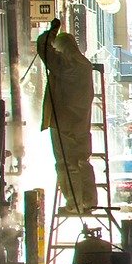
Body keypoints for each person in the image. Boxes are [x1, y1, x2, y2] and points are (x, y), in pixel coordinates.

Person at [37, 20, 98, 212]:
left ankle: (74, 204)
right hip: (82, 125)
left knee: (65, 164)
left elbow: (43, 47)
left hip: (63, 124)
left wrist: (52, 31)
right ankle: (88, 200)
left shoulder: (65, 65)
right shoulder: (85, 65)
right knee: (83, 162)